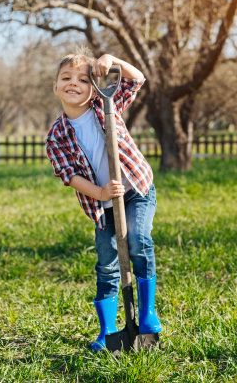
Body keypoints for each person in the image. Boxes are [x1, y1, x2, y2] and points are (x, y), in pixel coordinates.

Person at [45, 47, 162, 351]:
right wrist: (100, 193)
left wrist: (112, 59)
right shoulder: (56, 135)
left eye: (83, 79)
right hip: (102, 206)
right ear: (55, 87)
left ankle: (148, 314)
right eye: (66, 78)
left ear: (95, 85)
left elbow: (136, 79)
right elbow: (68, 175)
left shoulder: (105, 105)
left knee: (138, 240)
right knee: (107, 266)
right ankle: (108, 330)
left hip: (136, 189)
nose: (74, 83)